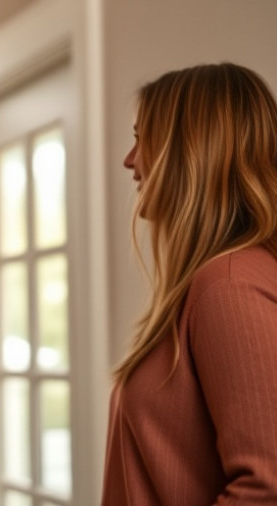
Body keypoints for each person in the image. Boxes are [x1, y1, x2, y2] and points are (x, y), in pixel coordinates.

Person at [103, 62, 277, 504]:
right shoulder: (224, 279)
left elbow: (266, 486)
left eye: (143, 138)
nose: (130, 159)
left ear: (189, 149)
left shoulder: (228, 285)